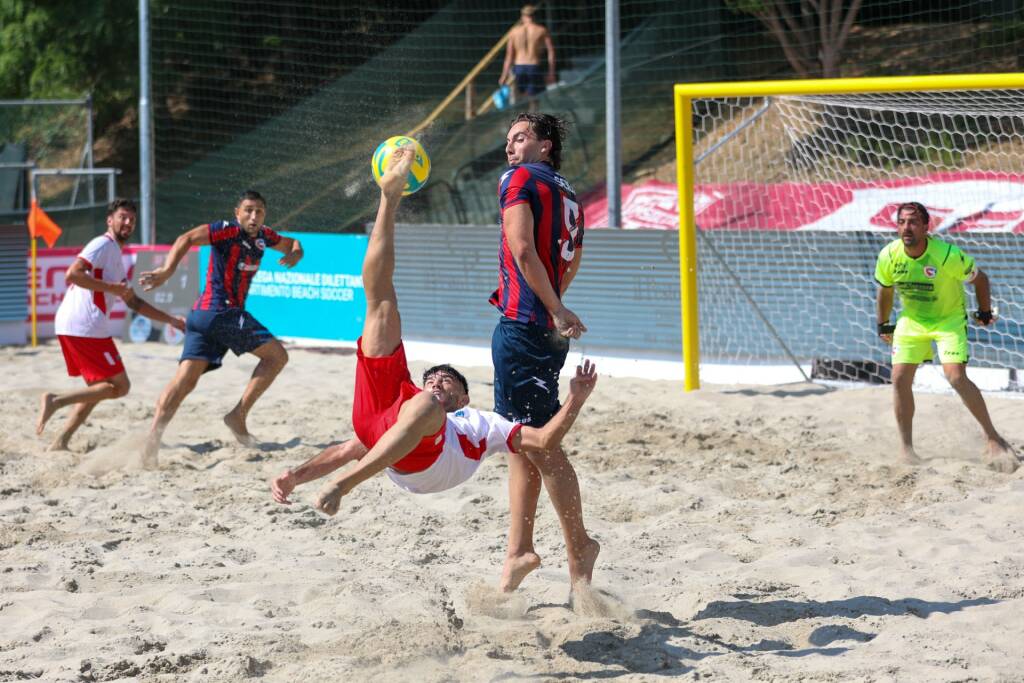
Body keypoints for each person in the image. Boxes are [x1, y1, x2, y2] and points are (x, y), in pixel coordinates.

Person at [271, 148, 600, 590]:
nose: (440, 380)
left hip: (428, 461)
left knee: (424, 407)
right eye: (435, 376)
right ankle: (388, 200)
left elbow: (542, 440)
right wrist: (294, 476)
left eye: (450, 382)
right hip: (388, 417)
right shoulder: (418, 394)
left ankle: (345, 488)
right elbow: (353, 446)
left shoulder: (480, 423)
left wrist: (576, 400)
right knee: (380, 304)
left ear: (464, 400)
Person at [491, 112, 592, 592]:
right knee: (519, 440)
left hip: (526, 326)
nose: (510, 147)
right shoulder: (568, 191)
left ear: (545, 145)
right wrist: (558, 303)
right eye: (508, 140)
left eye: (521, 137)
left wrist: (551, 308)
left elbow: (523, 249)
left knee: (541, 445)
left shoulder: (520, 178)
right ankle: (519, 550)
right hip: (541, 328)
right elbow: (571, 259)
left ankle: (579, 546)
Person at [137, 190, 304, 465]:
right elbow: (186, 238)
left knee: (185, 382)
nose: (253, 216)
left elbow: (293, 243)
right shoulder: (226, 231)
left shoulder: (264, 237)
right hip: (221, 311)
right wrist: (167, 271)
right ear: (237, 213)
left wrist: (296, 251)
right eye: (248, 210)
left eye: (259, 211)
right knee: (277, 356)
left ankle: (151, 441)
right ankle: (237, 415)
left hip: (203, 317)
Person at [875, 201, 1018, 472]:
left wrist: (984, 312)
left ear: (926, 227)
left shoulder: (947, 255)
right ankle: (906, 449)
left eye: (913, 222)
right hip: (912, 320)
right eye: (902, 222)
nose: (907, 227)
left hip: (949, 320)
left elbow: (981, 279)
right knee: (899, 378)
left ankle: (992, 437)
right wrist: (883, 324)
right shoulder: (888, 256)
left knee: (955, 376)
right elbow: (885, 290)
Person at [36, 199, 185, 451]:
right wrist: (110, 288)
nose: (127, 223)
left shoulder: (115, 252)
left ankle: (61, 442)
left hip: (75, 325)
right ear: (110, 220)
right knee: (120, 386)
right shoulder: (102, 244)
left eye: (131, 220)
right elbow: (72, 274)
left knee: (99, 388)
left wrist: (170, 320)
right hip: (85, 325)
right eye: (123, 217)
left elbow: (134, 303)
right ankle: (55, 400)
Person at [499, 4, 556, 109]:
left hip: (519, 67)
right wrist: (551, 72)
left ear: (522, 16)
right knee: (536, 100)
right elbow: (551, 51)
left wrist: (504, 75)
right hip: (533, 66)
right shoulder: (541, 30)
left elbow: (509, 56)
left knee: (521, 99)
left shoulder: (514, 32)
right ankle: (534, 121)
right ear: (534, 16)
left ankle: (523, 121)